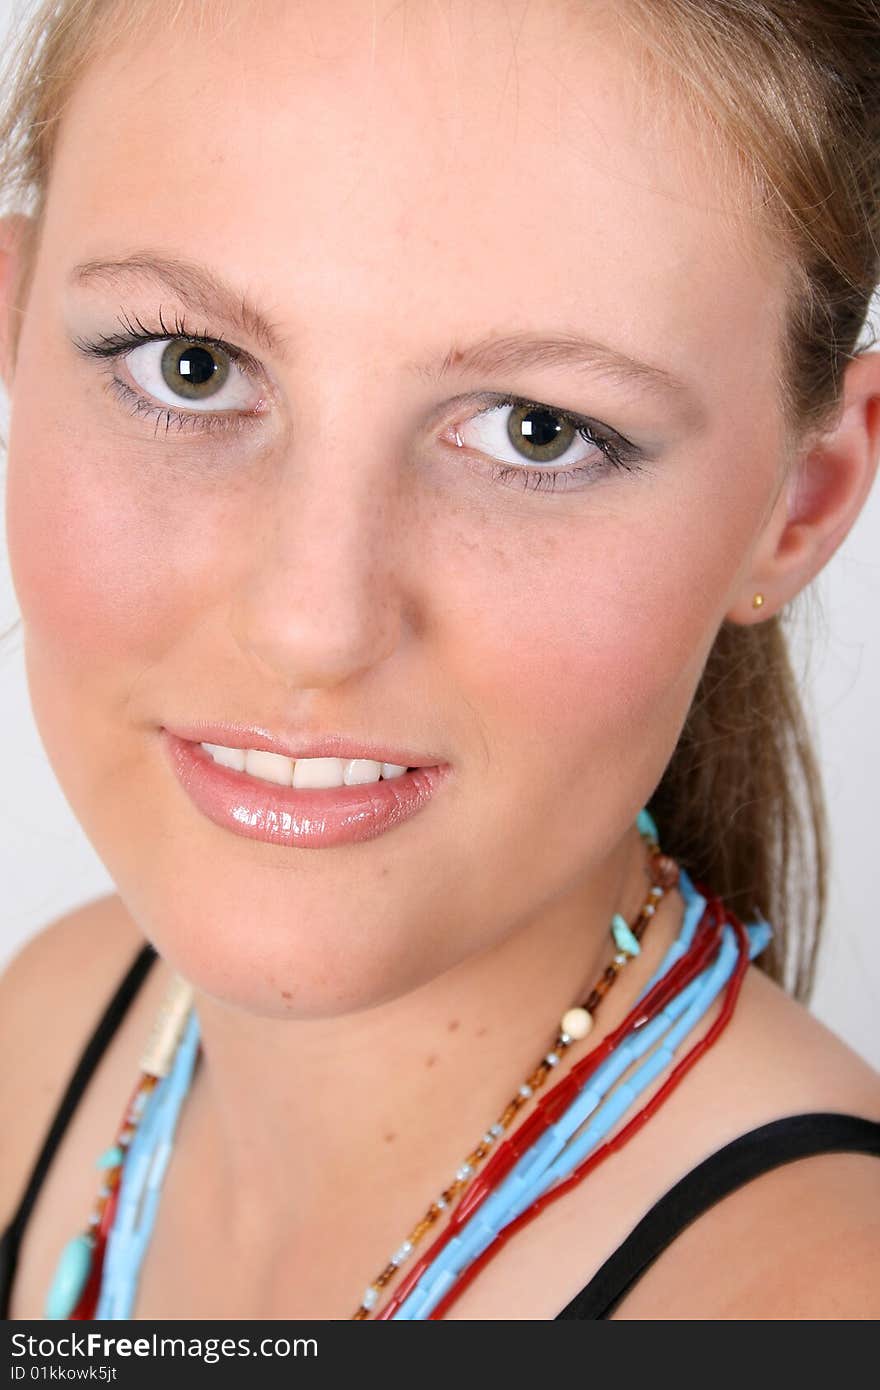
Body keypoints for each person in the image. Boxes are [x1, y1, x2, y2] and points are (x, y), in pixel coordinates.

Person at [0, 0, 878, 1323]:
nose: (311, 622)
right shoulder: (52, 1027)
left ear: (803, 500)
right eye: (188, 367)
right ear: (11, 330)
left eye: (538, 431)